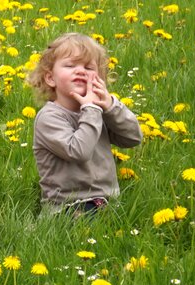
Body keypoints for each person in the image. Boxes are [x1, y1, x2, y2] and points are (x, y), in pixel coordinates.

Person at [27, 32, 143, 216]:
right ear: (50, 78)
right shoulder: (49, 117)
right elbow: (78, 151)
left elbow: (133, 138)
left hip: (106, 202)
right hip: (66, 207)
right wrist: (91, 109)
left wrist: (111, 107)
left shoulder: (98, 111)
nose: (81, 71)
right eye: (70, 65)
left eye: (89, 67)